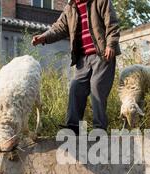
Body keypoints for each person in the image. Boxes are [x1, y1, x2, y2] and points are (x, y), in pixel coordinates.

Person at [32, 0, 121, 134]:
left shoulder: (100, 1)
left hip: (102, 54)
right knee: (75, 87)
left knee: (97, 88)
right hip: (82, 58)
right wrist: (44, 37)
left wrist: (111, 44)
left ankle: (99, 128)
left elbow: (112, 24)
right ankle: (73, 127)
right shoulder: (70, 7)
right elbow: (59, 28)